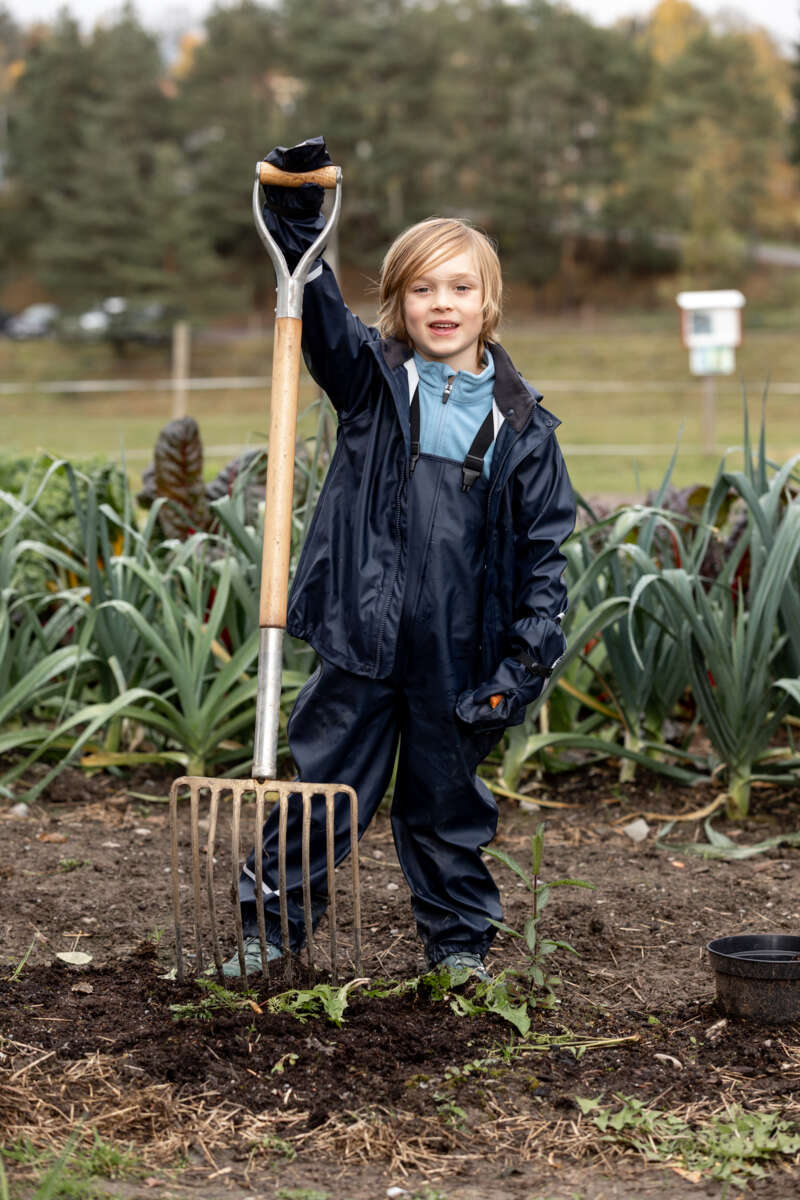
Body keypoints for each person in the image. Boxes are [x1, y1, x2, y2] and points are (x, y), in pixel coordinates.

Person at [224, 137, 575, 982]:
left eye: (460, 288)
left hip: (461, 656)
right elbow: (317, 323)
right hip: (359, 636)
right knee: (320, 794)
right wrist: (298, 218)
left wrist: (518, 666)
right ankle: (269, 928)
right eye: (423, 289)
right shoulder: (374, 385)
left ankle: (458, 947)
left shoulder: (522, 429)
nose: (441, 304)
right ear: (398, 302)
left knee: (446, 810)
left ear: (490, 302)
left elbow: (545, 557)